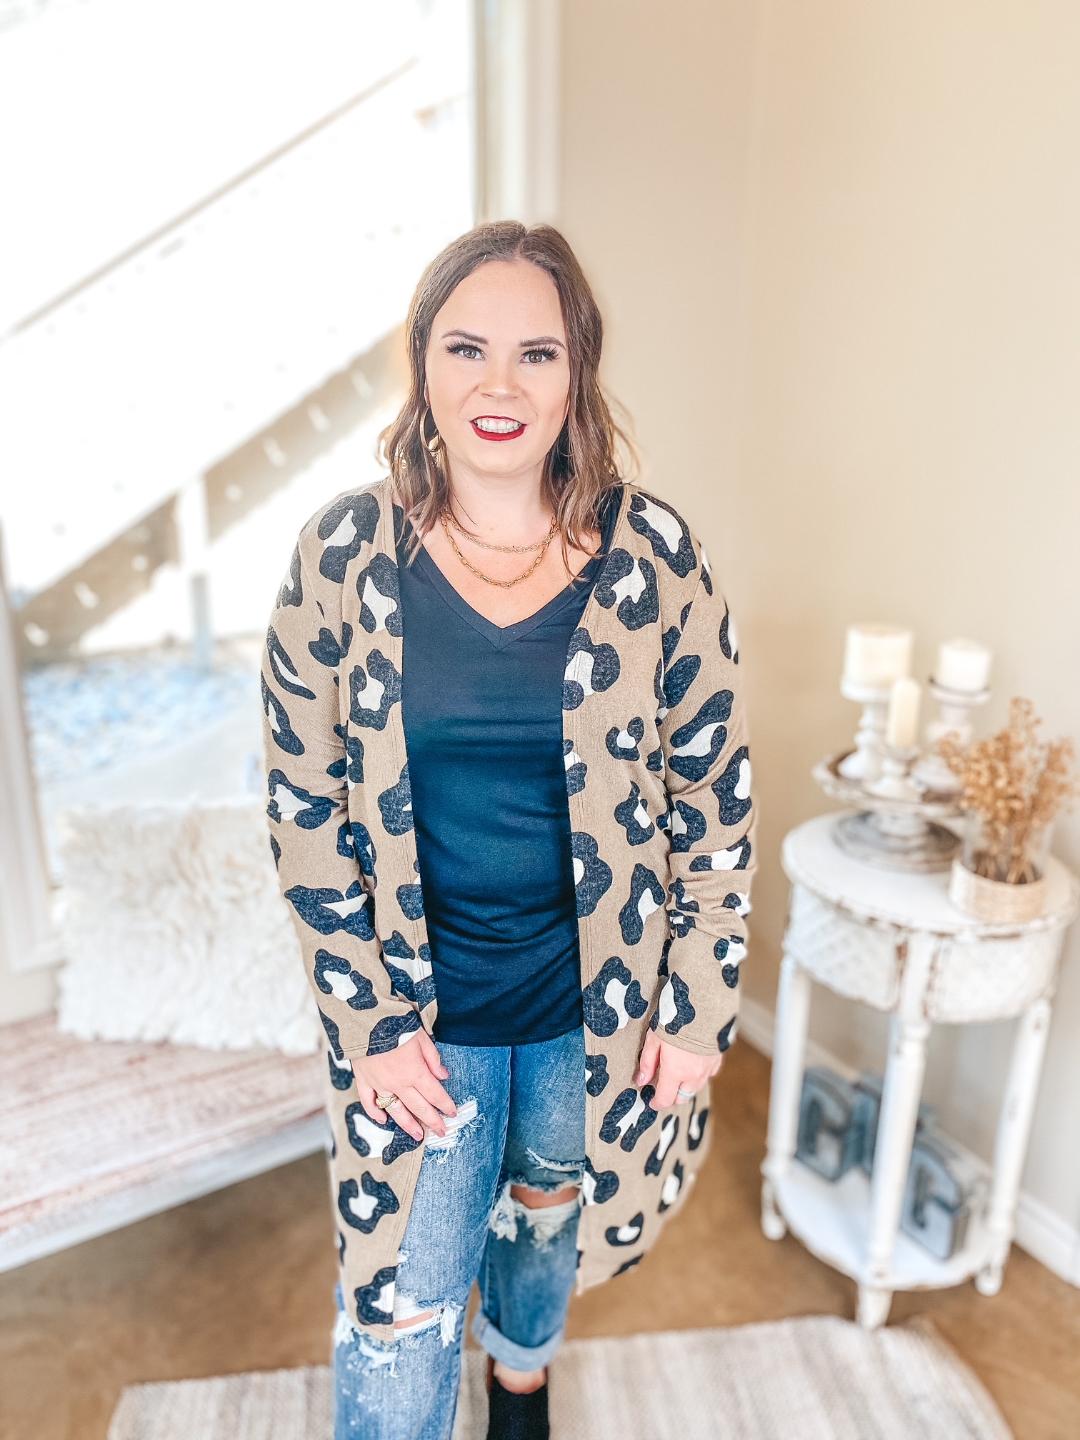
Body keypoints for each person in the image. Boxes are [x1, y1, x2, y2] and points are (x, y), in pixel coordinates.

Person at [260, 220, 757, 1440]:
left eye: (537, 353)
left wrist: (697, 1004)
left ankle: (522, 1379)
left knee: (546, 1221)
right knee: (397, 1323)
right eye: (466, 347)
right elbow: (304, 806)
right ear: (421, 364)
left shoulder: (656, 559)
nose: (500, 384)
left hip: (597, 1018)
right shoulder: (341, 559)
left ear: (577, 372)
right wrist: (369, 1026)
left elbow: (715, 793)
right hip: (421, 1037)